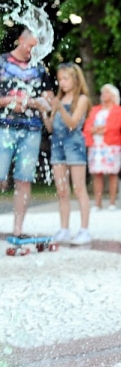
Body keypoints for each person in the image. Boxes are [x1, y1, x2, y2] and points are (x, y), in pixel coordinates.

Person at [0, 27, 54, 237]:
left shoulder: (39, 68)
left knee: (24, 179)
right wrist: (9, 102)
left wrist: (35, 102)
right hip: (4, 128)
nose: (32, 50)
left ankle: (18, 229)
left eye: (35, 47)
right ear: (20, 39)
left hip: (31, 130)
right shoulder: (2, 62)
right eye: (30, 45)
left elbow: (49, 99)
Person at [45, 63, 92, 245]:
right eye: (60, 78)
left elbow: (72, 123)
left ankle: (84, 229)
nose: (62, 82)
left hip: (74, 145)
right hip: (57, 145)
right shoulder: (58, 99)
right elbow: (50, 128)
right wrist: (44, 111)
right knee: (62, 190)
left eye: (65, 78)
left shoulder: (81, 100)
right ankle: (64, 229)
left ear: (75, 78)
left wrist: (60, 107)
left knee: (79, 188)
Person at [83, 84, 121, 210]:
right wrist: (93, 129)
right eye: (103, 92)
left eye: (107, 92)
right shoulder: (95, 109)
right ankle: (98, 203)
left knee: (113, 173)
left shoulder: (118, 110)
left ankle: (112, 202)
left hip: (111, 145)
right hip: (96, 145)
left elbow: (119, 125)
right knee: (97, 174)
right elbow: (87, 125)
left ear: (113, 96)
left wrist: (104, 129)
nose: (104, 95)